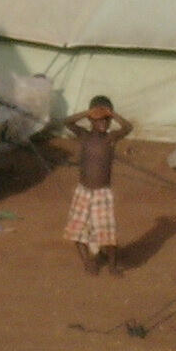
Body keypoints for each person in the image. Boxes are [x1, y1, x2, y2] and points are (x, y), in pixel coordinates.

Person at [63, 95, 132, 276]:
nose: (104, 122)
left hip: (102, 193)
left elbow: (128, 127)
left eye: (107, 119)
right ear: (90, 119)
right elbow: (67, 122)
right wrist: (87, 112)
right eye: (99, 119)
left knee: (107, 230)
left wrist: (113, 113)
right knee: (78, 229)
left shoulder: (111, 138)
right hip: (83, 191)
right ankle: (88, 262)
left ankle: (112, 265)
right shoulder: (84, 136)